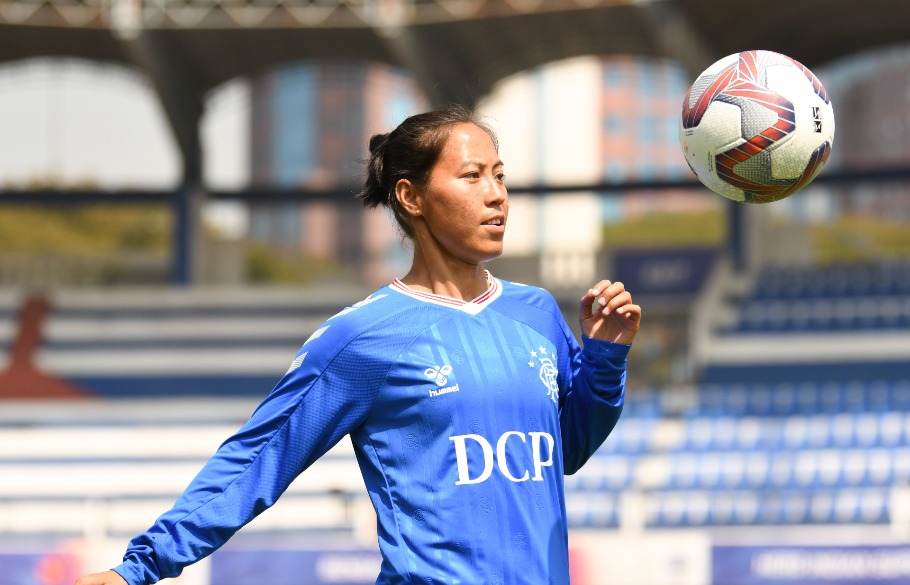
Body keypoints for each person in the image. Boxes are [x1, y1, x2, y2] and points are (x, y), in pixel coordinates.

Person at [74, 105, 641, 585]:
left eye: (500, 175)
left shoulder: (536, 311)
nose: (496, 196)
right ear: (410, 197)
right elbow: (258, 458)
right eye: (472, 177)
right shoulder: (364, 339)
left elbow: (566, 451)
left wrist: (604, 359)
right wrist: (137, 568)